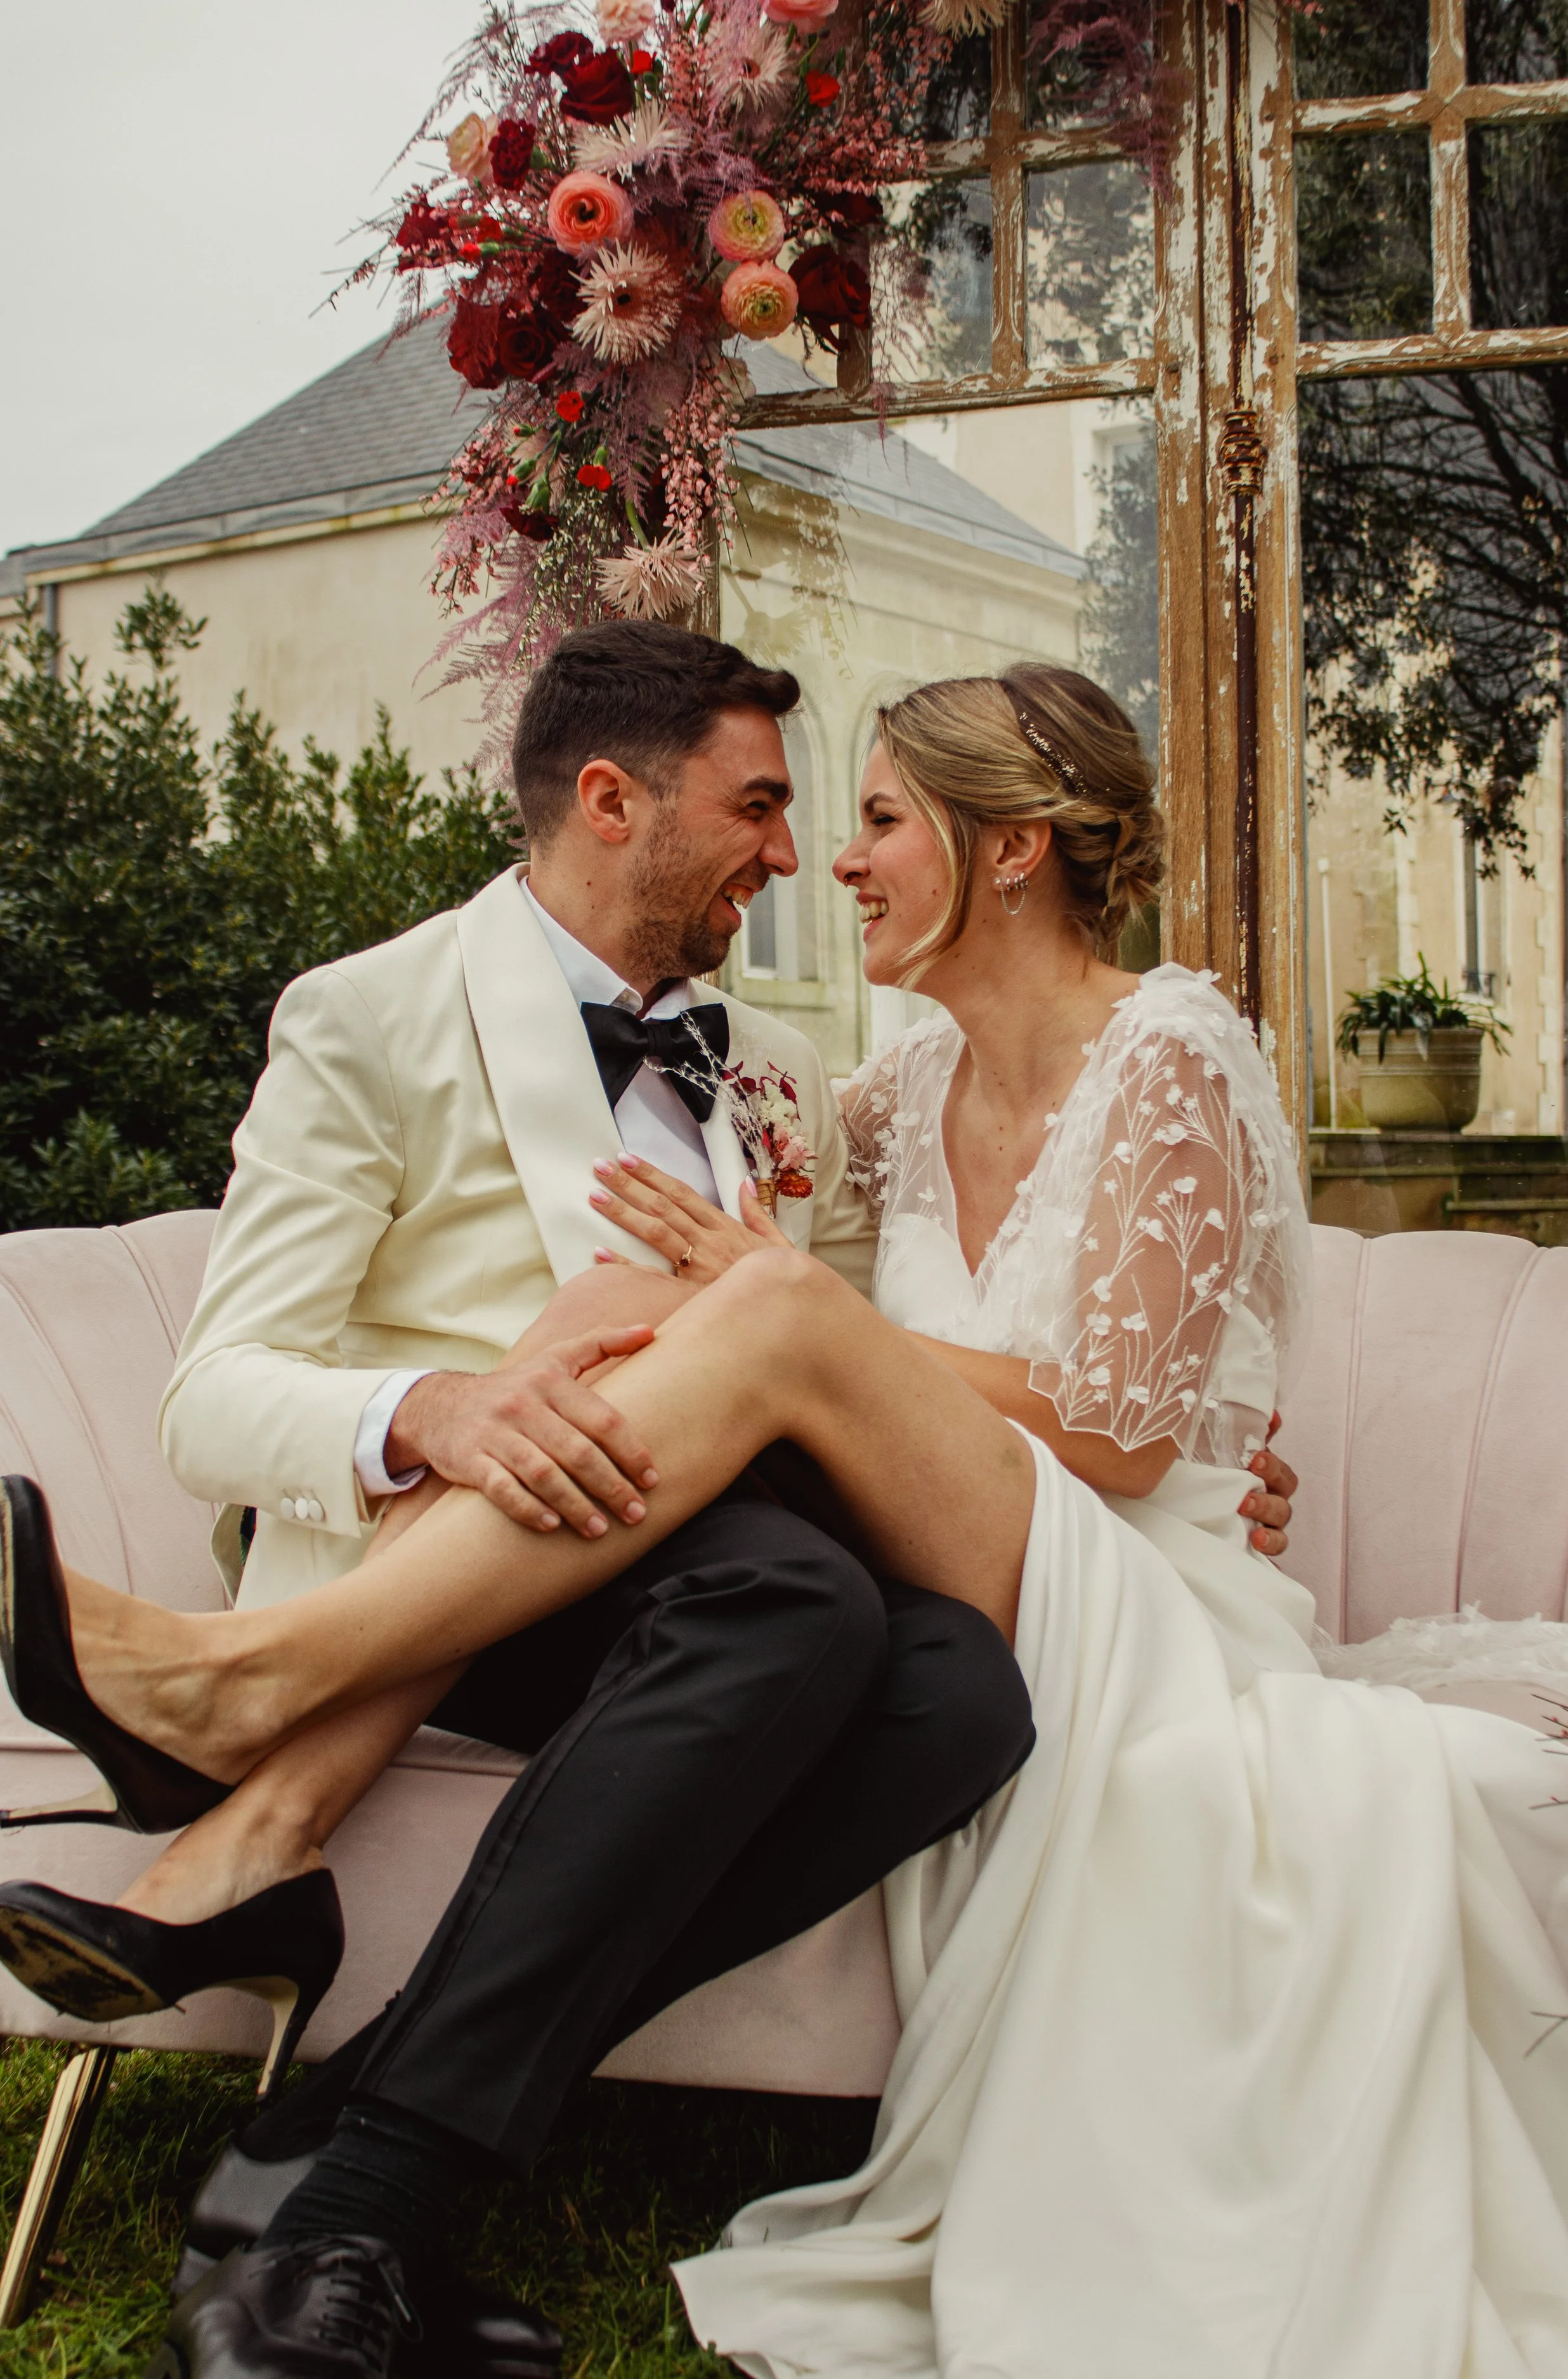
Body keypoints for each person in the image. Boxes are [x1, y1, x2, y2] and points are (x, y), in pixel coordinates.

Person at [0, 643, 1311, 2379]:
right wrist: (435, 1410)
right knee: (797, 1597)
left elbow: (892, 1363)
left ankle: (346, 2121)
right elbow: (212, 1394)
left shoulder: (790, 1070)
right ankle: (274, 1773)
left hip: (757, 1548)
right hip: (471, 1569)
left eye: (845, 815)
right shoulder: (374, 1013)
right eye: (762, 805)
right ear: (613, 800)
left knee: (954, 1693)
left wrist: (1200, 1441)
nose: (797, 854)